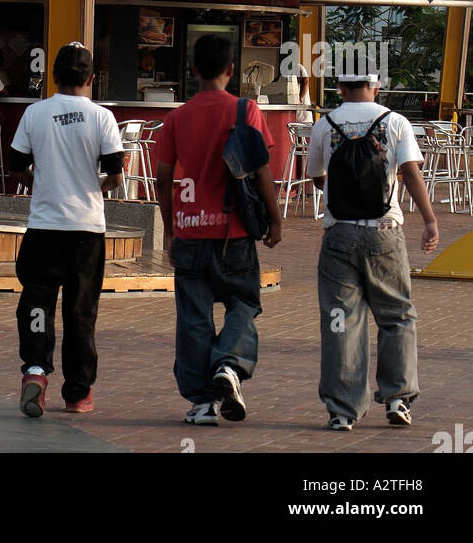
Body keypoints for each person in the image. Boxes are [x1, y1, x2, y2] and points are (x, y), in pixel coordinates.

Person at [155, 33, 282, 427]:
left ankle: (201, 402)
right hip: (235, 232)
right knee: (244, 303)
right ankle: (229, 365)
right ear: (231, 71)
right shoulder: (247, 111)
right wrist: (275, 219)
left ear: (192, 70)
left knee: (193, 315)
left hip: (190, 231)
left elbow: (162, 180)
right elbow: (261, 170)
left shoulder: (176, 119)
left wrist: (171, 230)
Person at [306, 72, 438, 431]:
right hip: (385, 233)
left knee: (340, 321)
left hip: (339, 235)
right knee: (396, 315)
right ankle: (397, 397)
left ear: (341, 88)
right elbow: (410, 172)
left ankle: (342, 410)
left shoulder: (325, 123)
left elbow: (317, 177)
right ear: (376, 86)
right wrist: (429, 220)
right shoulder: (395, 122)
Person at [9, 42, 124, 417]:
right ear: (92, 79)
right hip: (86, 231)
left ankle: (36, 370)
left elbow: (15, 166)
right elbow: (115, 176)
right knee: (80, 311)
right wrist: (95, 188)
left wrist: (40, 183)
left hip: (43, 228)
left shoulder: (34, 113)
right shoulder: (102, 118)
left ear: (54, 77)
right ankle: (77, 392)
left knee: (38, 301)